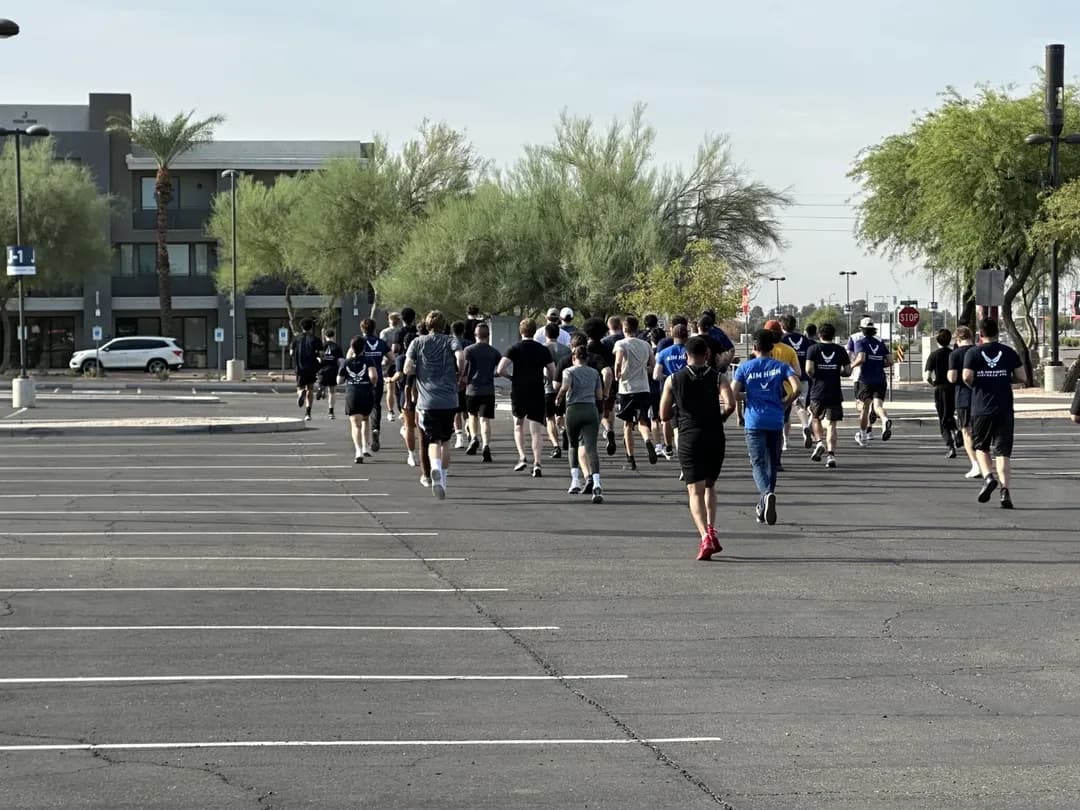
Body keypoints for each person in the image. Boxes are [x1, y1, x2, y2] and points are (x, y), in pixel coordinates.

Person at [660, 335, 736, 561]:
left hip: (688, 435)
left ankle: (705, 537)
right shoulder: (718, 377)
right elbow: (731, 404)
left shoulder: (673, 379)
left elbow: (663, 414)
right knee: (710, 485)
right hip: (714, 435)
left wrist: (679, 408)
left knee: (695, 490)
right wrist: (720, 416)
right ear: (708, 354)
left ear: (686, 355)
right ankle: (712, 528)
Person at [732, 329, 800, 525]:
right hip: (775, 419)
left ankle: (766, 494)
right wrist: (785, 403)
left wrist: (748, 396)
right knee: (772, 463)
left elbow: (734, 393)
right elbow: (797, 388)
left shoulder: (745, 368)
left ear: (754, 348)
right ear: (772, 348)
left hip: (754, 421)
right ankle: (764, 503)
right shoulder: (781, 367)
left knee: (757, 463)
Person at [963, 317, 1027, 508]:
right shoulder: (1009, 352)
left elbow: (966, 376)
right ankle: (1005, 491)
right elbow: (1022, 377)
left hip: (981, 408)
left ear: (980, 334)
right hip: (1004, 408)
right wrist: (1004, 379)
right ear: (997, 332)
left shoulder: (973, 353)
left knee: (981, 447)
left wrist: (976, 384)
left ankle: (989, 477)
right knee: (1003, 452)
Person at [403, 310, 465, 500]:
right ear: (444, 325)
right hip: (448, 398)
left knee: (432, 440)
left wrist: (418, 369)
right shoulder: (450, 340)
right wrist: (459, 374)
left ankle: (434, 468)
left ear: (427, 325)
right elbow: (461, 357)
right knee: (445, 440)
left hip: (427, 401)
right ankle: (443, 480)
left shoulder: (417, 342)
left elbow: (407, 368)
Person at [498, 319, 556, 477]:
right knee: (536, 430)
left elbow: (500, 368)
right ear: (535, 331)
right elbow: (553, 370)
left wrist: (510, 377)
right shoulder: (542, 349)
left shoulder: (514, 348)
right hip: (537, 390)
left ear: (520, 331)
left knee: (518, 424)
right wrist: (548, 379)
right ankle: (537, 462)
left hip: (519, 390)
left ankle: (522, 457)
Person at [555, 345, 605, 503]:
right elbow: (599, 395)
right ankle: (597, 482)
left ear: (573, 357)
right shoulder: (594, 372)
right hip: (591, 409)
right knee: (591, 448)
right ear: (587, 358)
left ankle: (575, 480)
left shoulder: (569, 371)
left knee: (573, 444)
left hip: (574, 410)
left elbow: (565, 386)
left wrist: (559, 398)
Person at [804, 322, 851, 469]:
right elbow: (848, 371)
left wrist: (818, 373)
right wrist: (836, 371)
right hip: (834, 391)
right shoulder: (840, 350)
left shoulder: (813, 349)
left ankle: (819, 442)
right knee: (832, 425)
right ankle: (831, 456)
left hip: (817, 391)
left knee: (816, 418)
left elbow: (809, 370)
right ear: (833, 335)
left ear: (819, 335)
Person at [613, 315, 657, 469]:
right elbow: (653, 365)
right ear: (637, 329)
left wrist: (618, 373)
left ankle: (631, 457)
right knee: (643, 421)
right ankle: (647, 440)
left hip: (627, 389)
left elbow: (618, 360)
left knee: (627, 424)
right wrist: (645, 370)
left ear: (624, 329)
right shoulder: (645, 345)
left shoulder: (621, 343)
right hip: (643, 388)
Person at [850, 316, 894, 446]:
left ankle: (863, 435)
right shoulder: (880, 343)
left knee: (865, 407)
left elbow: (862, 358)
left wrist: (852, 366)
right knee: (878, 406)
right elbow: (890, 361)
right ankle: (885, 419)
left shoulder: (861, 342)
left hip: (866, 379)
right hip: (880, 378)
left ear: (862, 330)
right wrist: (879, 364)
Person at [463, 322, 501, 463]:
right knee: (485, 419)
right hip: (488, 390)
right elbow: (500, 368)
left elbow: (465, 369)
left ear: (475, 335)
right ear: (488, 336)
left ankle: (474, 438)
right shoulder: (494, 352)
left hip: (472, 389)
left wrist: (462, 379)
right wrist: (493, 374)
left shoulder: (469, 350)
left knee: (472, 416)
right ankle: (486, 445)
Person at [947, 326, 981, 478]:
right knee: (979, 432)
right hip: (980, 396)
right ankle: (984, 461)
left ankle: (976, 464)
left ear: (958, 339)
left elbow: (953, 378)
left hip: (963, 397)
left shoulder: (955, 354)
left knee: (966, 432)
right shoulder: (979, 351)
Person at [338, 335, 379, 462]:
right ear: (363, 348)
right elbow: (373, 377)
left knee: (355, 425)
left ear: (351, 348)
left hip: (352, 394)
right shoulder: (369, 360)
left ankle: (358, 451)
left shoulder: (346, 362)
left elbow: (339, 380)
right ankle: (366, 446)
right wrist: (372, 384)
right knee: (366, 419)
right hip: (366, 393)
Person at [779, 315, 815, 450]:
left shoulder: (782, 341)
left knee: (785, 410)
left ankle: (785, 441)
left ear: (782, 326)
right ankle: (805, 427)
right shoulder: (805, 339)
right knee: (800, 405)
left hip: (787, 378)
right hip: (804, 377)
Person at [653, 323, 689, 459]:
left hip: (669, 390)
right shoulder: (689, 351)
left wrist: (668, 377)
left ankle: (668, 446)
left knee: (667, 419)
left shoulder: (663, 353)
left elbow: (656, 375)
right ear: (686, 335)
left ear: (672, 335)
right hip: (687, 390)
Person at [584, 317, 618, 456]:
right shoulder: (608, 347)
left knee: (592, 415)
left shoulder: (585, 349)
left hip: (589, 385)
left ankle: (589, 443)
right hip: (607, 385)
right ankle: (609, 429)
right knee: (606, 410)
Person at [358, 319, 393, 453]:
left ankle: (364, 439)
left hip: (362, 380)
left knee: (361, 408)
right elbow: (392, 358)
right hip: (377, 378)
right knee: (376, 405)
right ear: (374, 329)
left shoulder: (359, 342)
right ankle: (375, 429)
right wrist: (385, 369)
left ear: (362, 329)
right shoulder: (381, 343)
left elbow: (349, 356)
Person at [392, 307, 421, 467]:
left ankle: (412, 454)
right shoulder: (422, 351)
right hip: (424, 392)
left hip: (406, 390)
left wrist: (389, 379)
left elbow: (395, 351)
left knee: (409, 424)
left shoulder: (399, 335)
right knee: (421, 425)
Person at [924, 328, 958, 458]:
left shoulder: (934, 355)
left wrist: (933, 384)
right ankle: (956, 430)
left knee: (942, 418)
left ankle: (950, 445)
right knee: (949, 413)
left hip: (940, 388)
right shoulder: (953, 354)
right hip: (953, 388)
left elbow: (927, 376)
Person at [542, 322, 571, 459]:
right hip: (565, 386)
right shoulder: (566, 349)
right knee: (562, 414)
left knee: (550, 418)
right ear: (558, 334)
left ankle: (555, 445)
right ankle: (564, 430)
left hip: (547, 386)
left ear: (545, 334)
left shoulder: (542, 348)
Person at [290, 318, 323, 422]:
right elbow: (321, 354)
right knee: (311, 389)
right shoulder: (315, 339)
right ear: (311, 327)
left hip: (299, 367)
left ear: (301, 327)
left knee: (300, 387)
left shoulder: (296, 339)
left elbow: (291, 353)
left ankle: (301, 393)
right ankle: (308, 413)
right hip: (312, 367)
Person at [315, 328, 344, 420]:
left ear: (325, 336)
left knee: (322, 383)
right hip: (333, 370)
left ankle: (321, 388)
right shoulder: (337, 347)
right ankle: (331, 412)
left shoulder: (321, 346)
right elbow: (340, 360)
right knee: (332, 392)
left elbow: (317, 358)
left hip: (322, 370)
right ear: (333, 336)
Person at [451, 320, 471, 449]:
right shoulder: (469, 344)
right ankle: (470, 431)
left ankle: (459, 437)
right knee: (467, 410)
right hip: (467, 380)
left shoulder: (449, 344)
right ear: (463, 331)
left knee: (456, 411)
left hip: (453, 379)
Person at [380, 313, 402, 422]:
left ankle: (392, 411)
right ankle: (395, 411)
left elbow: (382, 348)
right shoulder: (401, 331)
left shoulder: (385, 332)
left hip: (390, 362)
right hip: (398, 362)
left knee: (391, 388)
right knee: (398, 388)